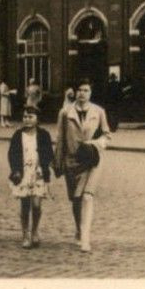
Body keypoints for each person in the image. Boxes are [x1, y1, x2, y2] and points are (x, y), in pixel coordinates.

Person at [60, 76, 109, 253]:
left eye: (86, 90)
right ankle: (79, 230)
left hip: (92, 159)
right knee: (76, 199)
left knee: (87, 196)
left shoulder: (99, 111)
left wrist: (96, 144)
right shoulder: (66, 112)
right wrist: (58, 163)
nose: (82, 94)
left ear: (91, 92)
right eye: (80, 90)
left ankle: (86, 238)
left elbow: (107, 135)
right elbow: (60, 140)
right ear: (75, 92)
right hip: (72, 161)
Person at [7, 104, 55, 248]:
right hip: (23, 173)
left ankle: (35, 230)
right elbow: (12, 154)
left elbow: (48, 153)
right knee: (25, 204)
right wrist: (15, 169)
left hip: (38, 173)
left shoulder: (44, 135)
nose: (27, 120)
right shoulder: (18, 135)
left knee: (36, 205)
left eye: (31, 117)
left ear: (37, 119)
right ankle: (25, 233)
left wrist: (44, 166)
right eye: (25, 117)